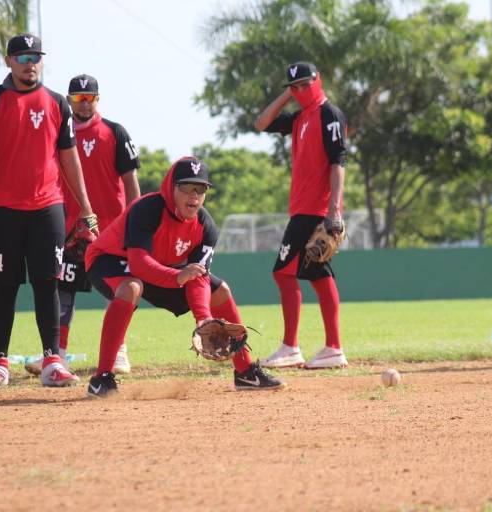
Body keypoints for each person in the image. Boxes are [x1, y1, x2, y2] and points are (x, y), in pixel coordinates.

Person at [84, 157, 286, 397]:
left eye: (200, 189)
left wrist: (204, 320)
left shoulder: (205, 225)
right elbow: (138, 264)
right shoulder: (147, 209)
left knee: (220, 291)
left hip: (162, 267)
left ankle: (245, 372)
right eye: (187, 187)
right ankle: (102, 379)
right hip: (108, 259)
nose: (194, 195)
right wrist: (178, 276)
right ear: (171, 187)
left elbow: (198, 277)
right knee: (132, 287)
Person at [0, 34, 96, 388]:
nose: (29, 63)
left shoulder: (57, 103)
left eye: (35, 56)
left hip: (46, 208)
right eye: (21, 57)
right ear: (8, 61)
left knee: (47, 282)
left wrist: (86, 208)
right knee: (4, 286)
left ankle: (53, 361)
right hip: (0, 210)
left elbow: (69, 158)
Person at [24, 74, 141, 376]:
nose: (84, 104)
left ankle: (119, 352)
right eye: (78, 98)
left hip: (111, 231)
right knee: (63, 290)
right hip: (69, 230)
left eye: (89, 98)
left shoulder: (115, 132)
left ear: (97, 99)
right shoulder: (57, 133)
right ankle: (57, 354)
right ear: (69, 100)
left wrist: (134, 222)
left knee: (117, 290)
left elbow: (131, 181)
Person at [254, 61, 349, 369]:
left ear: (318, 81)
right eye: (295, 87)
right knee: (313, 274)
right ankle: (327, 348)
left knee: (286, 272)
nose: (301, 90)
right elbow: (261, 123)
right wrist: (288, 95)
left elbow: (338, 163)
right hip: (302, 207)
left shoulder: (328, 114)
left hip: (316, 209)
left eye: (306, 84)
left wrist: (334, 210)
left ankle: (299, 347)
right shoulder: (300, 118)